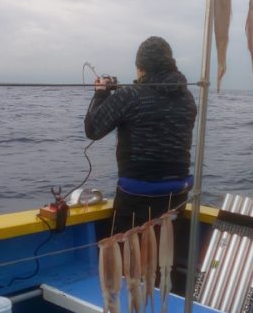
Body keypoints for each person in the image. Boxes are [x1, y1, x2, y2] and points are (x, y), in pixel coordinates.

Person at [84, 37, 197, 234]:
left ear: (141, 68)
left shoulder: (131, 95)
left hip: (136, 199)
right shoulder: (187, 97)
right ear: (170, 63)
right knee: (166, 251)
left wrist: (101, 94)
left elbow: (93, 129)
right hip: (177, 197)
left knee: (128, 251)